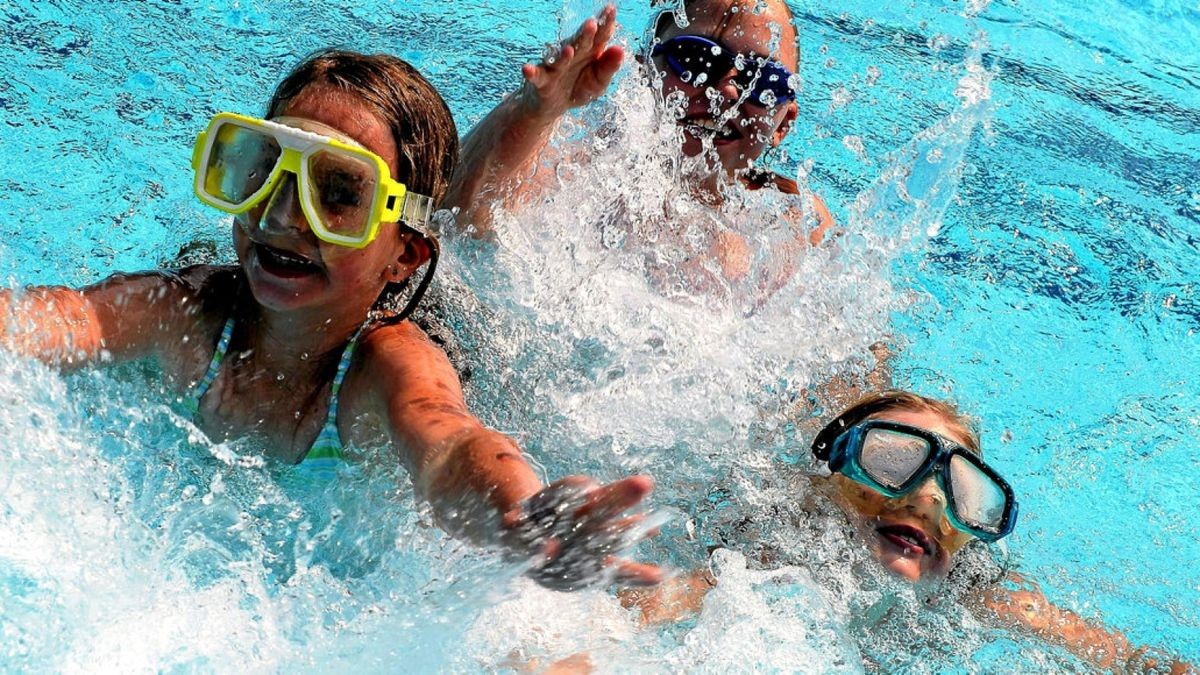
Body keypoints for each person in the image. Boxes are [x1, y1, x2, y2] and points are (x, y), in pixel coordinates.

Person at [0, 49, 660, 592]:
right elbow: (66, 317)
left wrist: (523, 516)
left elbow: (450, 443)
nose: (282, 216)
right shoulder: (184, 314)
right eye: (264, 172)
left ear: (404, 253)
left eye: (338, 194)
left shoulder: (389, 366)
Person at [622, 391, 1195, 673]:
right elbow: (638, 613)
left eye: (966, 493)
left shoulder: (979, 595)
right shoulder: (769, 559)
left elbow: (1130, 660)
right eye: (894, 461)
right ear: (833, 472)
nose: (927, 498)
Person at [444, 0, 834, 287]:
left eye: (762, 80)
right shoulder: (575, 180)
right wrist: (532, 114)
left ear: (783, 122)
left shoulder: (798, 226)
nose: (726, 89)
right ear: (645, 72)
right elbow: (451, 225)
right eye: (695, 59)